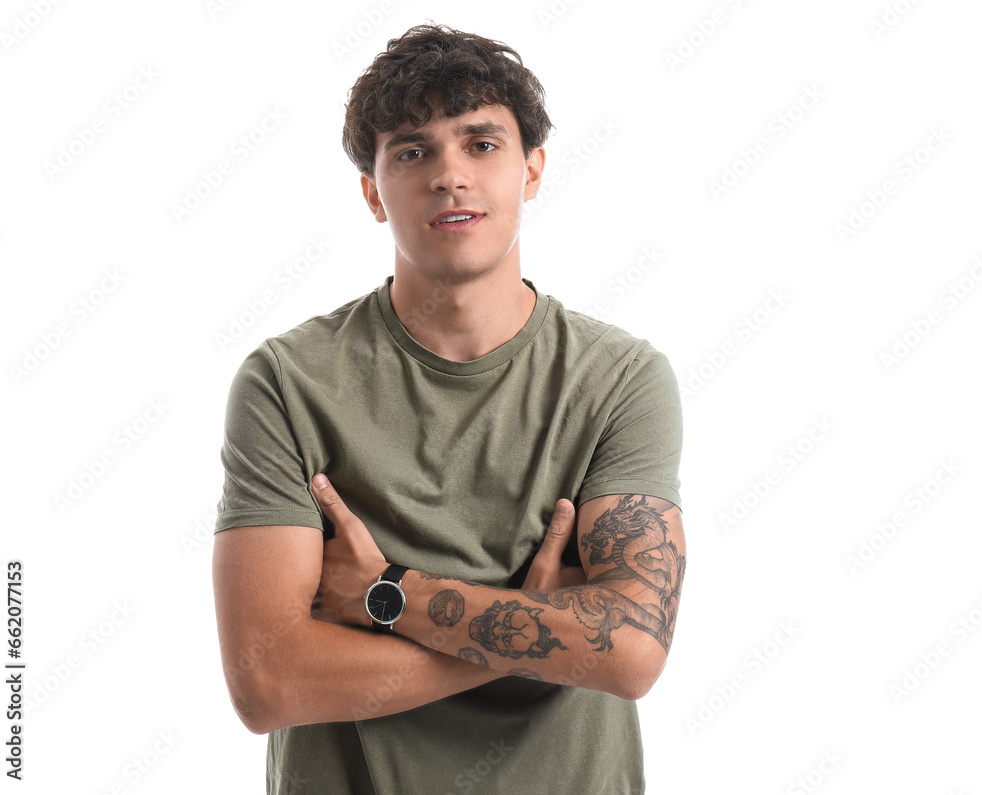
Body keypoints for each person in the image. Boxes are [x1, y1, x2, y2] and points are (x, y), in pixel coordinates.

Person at [212, 23, 686, 795]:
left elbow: (631, 649)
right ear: (372, 191)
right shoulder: (286, 381)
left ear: (532, 169)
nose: (449, 176)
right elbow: (266, 682)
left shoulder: (620, 378)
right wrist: (538, 632)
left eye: (482, 144)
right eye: (412, 151)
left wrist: (382, 592)